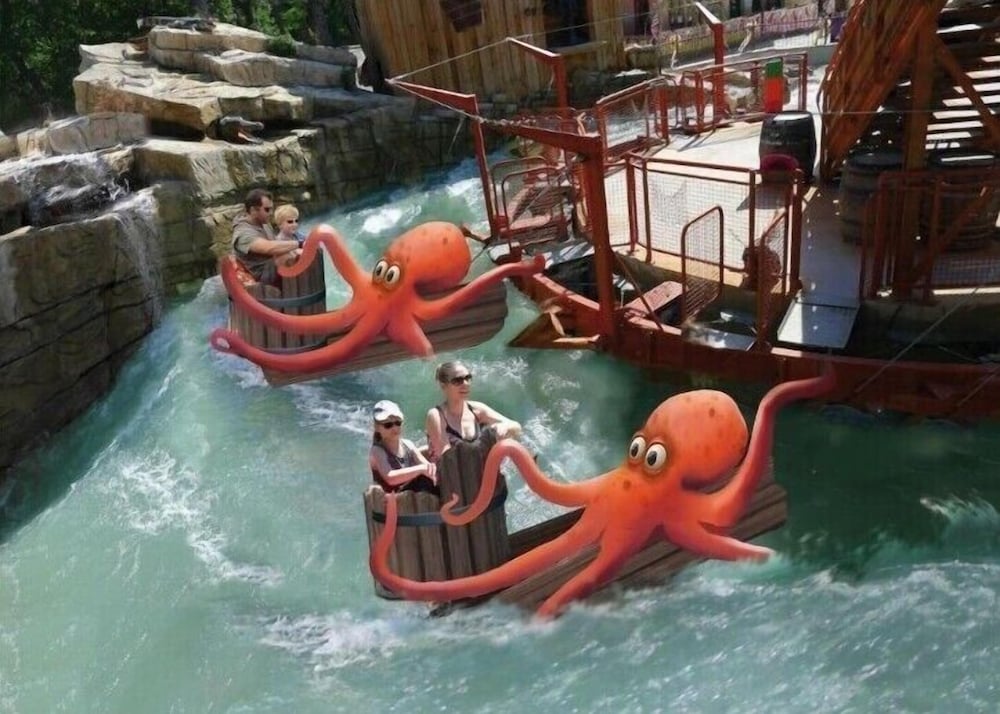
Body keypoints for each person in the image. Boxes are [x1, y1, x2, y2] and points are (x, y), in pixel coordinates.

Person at [425, 361, 522, 461]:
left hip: (479, 468)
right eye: (458, 380)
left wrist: (505, 427)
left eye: (468, 378)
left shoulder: (477, 410)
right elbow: (447, 457)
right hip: (450, 470)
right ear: (443, 385)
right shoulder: (436, 415)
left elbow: (516, 427)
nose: (465, 384)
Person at [231, 188, 301, 285]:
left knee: (299, 253)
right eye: (267, 209)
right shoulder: (243, 233)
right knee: (286, 257)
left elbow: (276, 243)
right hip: (260, 276)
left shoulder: (264, 223)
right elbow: (269, 248)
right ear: (253, 210)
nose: (271, 213)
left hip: (271, 265)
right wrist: (300, 243)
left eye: (271, 209)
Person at [369, 400, 438, 494]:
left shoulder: (408, 444)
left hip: (412, 494)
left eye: (398, 423)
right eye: (388, 425)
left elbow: (427, 467)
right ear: (377, 427)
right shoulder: (377, 450)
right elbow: (390, 478)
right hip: (392, 498)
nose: (394, 428)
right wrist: (420, 469)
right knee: (424, 479)